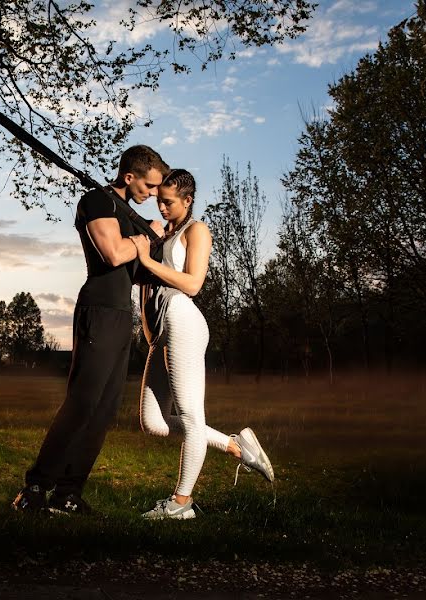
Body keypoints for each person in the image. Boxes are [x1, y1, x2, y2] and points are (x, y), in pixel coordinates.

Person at [12, 145, 169, 514]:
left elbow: (138, 270)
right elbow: (113, 254)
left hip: (120, 313)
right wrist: (148, 238)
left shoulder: (131, 215)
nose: (152, 194)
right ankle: (35, 488)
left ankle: (67, 494)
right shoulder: (96, 202)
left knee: (104, 410)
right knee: (82, 403)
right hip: (97, 309)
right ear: (129, 177)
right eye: (148, 186)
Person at [132, 169, 274, 520]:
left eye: (168, 202)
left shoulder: (198, 230)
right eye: (158, 200)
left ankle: (181, 504)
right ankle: (233, 445)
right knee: (153, 422)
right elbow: (146, 288)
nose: (161, 207)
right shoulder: (158, 232)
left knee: (192, 419)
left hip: (184, 319)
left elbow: (193, 284)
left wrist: (148, 260)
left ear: (187, 200)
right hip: (161, 330)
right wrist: (150, 336)